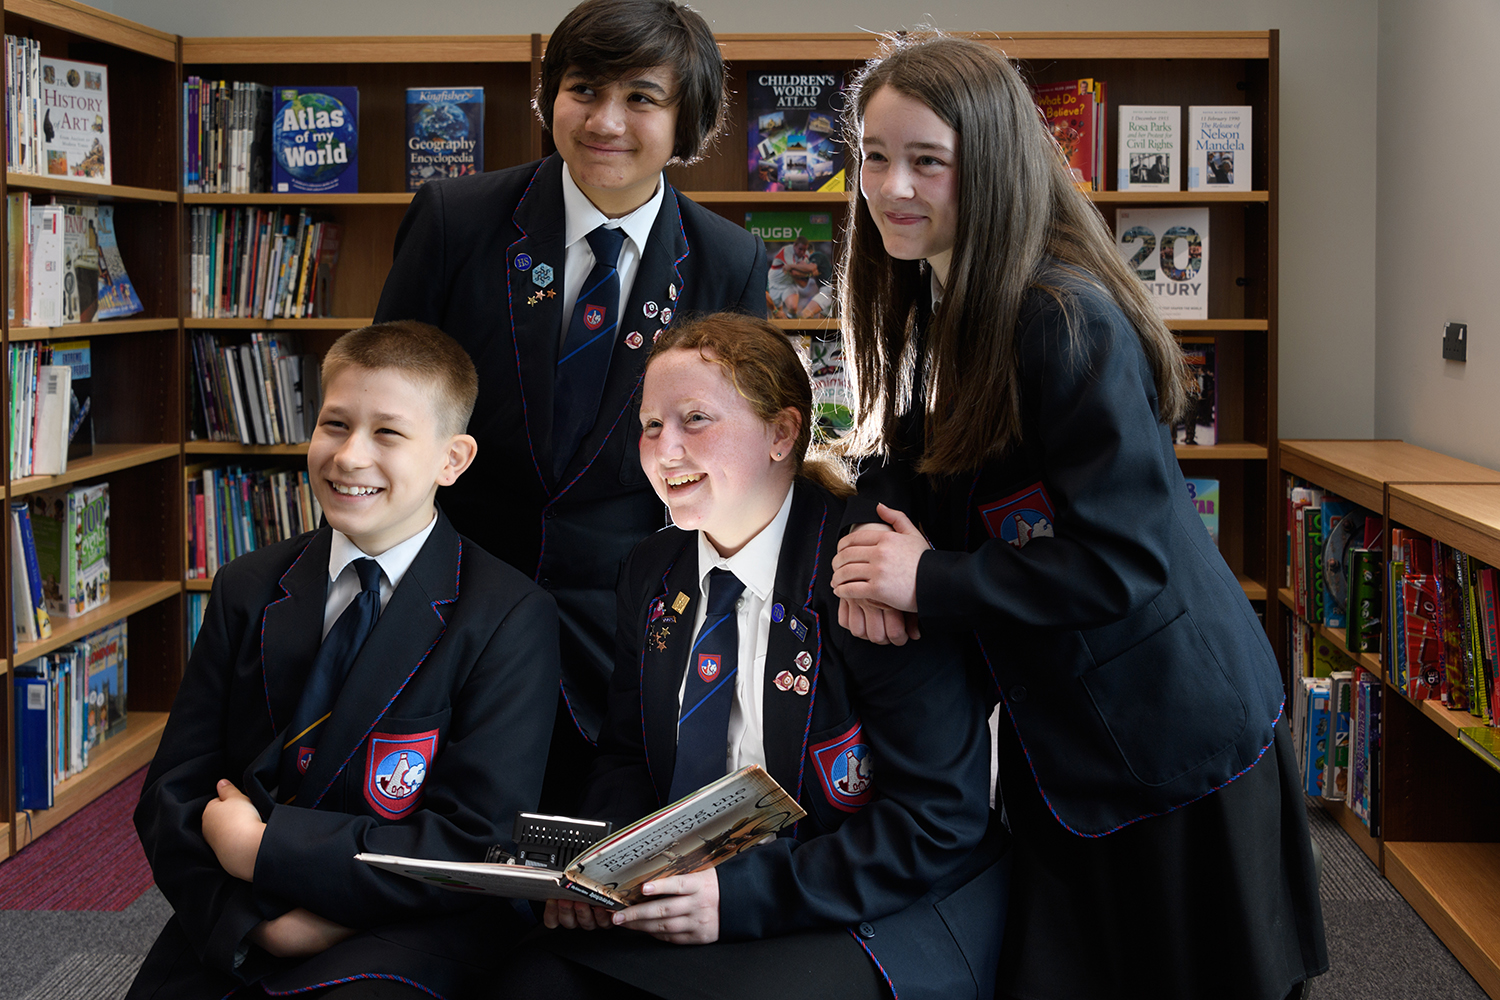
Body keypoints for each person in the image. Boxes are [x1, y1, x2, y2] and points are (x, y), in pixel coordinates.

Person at [826, 34, 1327, 1000]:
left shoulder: (1062, 318)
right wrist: (868, 549)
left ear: (996, 166)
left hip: (1166, 728)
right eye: (875, 157)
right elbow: (903, 450)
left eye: (928, 162)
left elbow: (1122, 560)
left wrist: (925, 579)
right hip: (1069, 727)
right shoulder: (936, 282)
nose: (892, 188)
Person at [496, 313, 1008, 1000]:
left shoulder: (868, 574)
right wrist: (604, 868)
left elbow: (938, 820)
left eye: (695, 419)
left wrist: (739, 899)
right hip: (692, 889)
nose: (664, 450)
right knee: (531, 980)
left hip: (858, 899)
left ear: (782, 433)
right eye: (650, 425)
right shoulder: (650, 572)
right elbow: (627, 755)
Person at [373, 0, 768, 796]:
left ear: (686, 117)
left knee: (595, 868)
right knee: (444, 849)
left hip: (629, 620)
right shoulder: (457, 221)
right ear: (551, 95)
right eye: (584, 89)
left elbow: (734, 458)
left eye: (643, 98)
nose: (606, 121)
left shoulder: (729, 258)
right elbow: (387, 413)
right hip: (455, 599)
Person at [129, 321, 561, 1000]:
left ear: (453, 459)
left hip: (409, 922)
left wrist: (265, 850)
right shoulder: (249, 585)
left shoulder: (509, 616)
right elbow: (174, 791)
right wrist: (253, 921)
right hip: (240, 909)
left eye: (388, 433)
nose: (349, 457)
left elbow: (476, 840)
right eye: (334, 424)